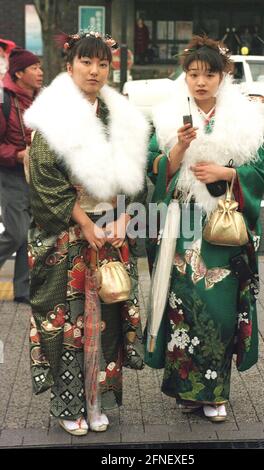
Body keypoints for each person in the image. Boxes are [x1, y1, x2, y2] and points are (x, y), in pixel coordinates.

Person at [24, 32, 150, 435]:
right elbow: (44, 178)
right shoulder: (53, 117)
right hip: (69, 235)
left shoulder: (121, 117)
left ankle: (98, 400)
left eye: (102, 64)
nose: (94, 71)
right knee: (71, 324)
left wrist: (122, 217)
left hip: (110, 232)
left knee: (106, 320)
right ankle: (68, 405)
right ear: (69, 66)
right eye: (86, 62)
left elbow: (137, 178)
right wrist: (84, 222)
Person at [145, 35, 264, 422]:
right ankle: (186, 389)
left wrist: (227, 172)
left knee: (219, 310)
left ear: (223, 76)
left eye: (209, 74)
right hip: (183, 225)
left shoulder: (245, 119)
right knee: (182, 305)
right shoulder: (168, 116)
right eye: (193, 74)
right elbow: (154, 167)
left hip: (223, 226)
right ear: (185, 76)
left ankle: (215, 392)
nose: (200, 82)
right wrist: (178, 150)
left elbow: (259, 173)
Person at [0, 47, 43, 304]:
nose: (40, 72)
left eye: (40, 67)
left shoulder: (42, 99)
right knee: (17, 232)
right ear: (18, 74)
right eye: (34, 68)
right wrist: (16, 155)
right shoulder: (4, 101)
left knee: (30, 231)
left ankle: (23, 290)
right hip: (11, 173)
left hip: (36, 174)